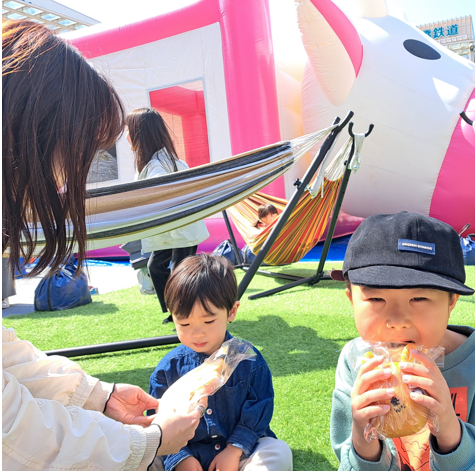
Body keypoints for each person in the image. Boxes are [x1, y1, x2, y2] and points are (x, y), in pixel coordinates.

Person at [2, 19, 203, 470]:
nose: (66, 176)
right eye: (78, 153)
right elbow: (11, 429)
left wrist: (99, 395)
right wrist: (148, 444)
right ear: (33, 134)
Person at [330, 212, 475, 470]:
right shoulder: (355, 362)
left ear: (451, 301)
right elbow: (347, 459)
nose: (397, 320)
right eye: (376, 299)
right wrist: (363, 438)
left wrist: (450, 432)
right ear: (351, 299)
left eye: (419, 299)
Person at [149, 254, 292, 471]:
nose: (197, 333)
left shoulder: (247, 358)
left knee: (278, 452)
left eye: (208, 320)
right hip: (185, 454)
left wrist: (234, 450)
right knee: (138, 456)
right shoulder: (168, 369)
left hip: (239, 454)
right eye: (184, 323)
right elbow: (157, 420)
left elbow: (259, 406)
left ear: (231, 311)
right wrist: (179, 458)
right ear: (172, 315)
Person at [129, 108, 211, 316]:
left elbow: (161, 188)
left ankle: (184, 313)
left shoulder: (159, 164)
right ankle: (173, 311)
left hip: (182, 229)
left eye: (129, 132)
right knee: (156, 267)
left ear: (139, 135)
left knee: (179, 271)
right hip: (172, 229)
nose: (127, 138)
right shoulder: (157, 161)